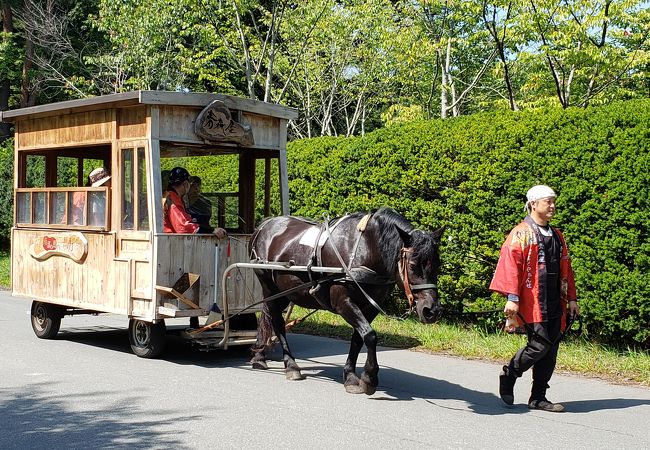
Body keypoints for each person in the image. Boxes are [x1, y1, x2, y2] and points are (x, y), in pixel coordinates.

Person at [490, 184, 579, 412]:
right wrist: (512, 297)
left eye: (553, 201)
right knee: (539, 346)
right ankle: (510, 372)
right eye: (548, 201)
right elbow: (511, 265)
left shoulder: (557, 235)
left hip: (554, 301)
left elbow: (566, 269)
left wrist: (571, 299)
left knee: (551, 351)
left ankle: (538, 397)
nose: (552, 206)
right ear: (533, 204)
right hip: (533, 300)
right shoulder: (521, 233)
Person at [163, 167, 226, 238]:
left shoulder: (168, 196)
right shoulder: (173, 199)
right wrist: (212, 230)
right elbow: (184, 227)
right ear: (185, 184)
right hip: (169, 241)